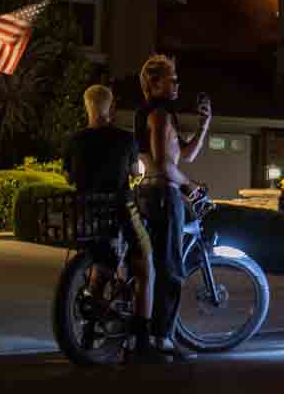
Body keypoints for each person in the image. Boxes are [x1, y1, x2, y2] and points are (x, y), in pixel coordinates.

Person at [65, 84, 163, 364]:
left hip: (87, 214)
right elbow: (134, 173)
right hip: (121, 209)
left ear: (87, 107)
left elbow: (69, 179)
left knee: (102, 261)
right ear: (111, 107)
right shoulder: (124, 139)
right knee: (146, 266)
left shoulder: (75, 140)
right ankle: (142, 343)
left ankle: (88, 331)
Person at [134, 54, 212, 362]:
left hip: (148, 193)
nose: (177, 83)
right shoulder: (161, 116)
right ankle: (162, 338)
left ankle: (143, 334)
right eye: (172, 78)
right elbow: (167, 166)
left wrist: (205, 125)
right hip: (163, 196)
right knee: (172, 269)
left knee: (151, 266)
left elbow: (186, 156)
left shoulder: (155, 114)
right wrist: (190, 187)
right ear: (154, 84)